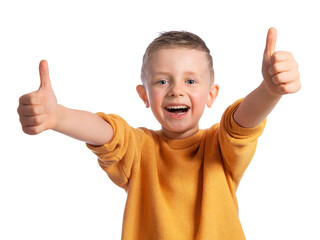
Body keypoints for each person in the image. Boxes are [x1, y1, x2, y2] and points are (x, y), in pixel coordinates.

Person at [17, 27, 300, 239]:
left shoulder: (219, 145)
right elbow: (106, 134)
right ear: (144, 95)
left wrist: (269, 90)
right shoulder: (140, 148)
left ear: (212, 94)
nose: (176, 90)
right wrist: (60, 116)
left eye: (191, 80)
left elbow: (242, 124)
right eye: (162, 81)